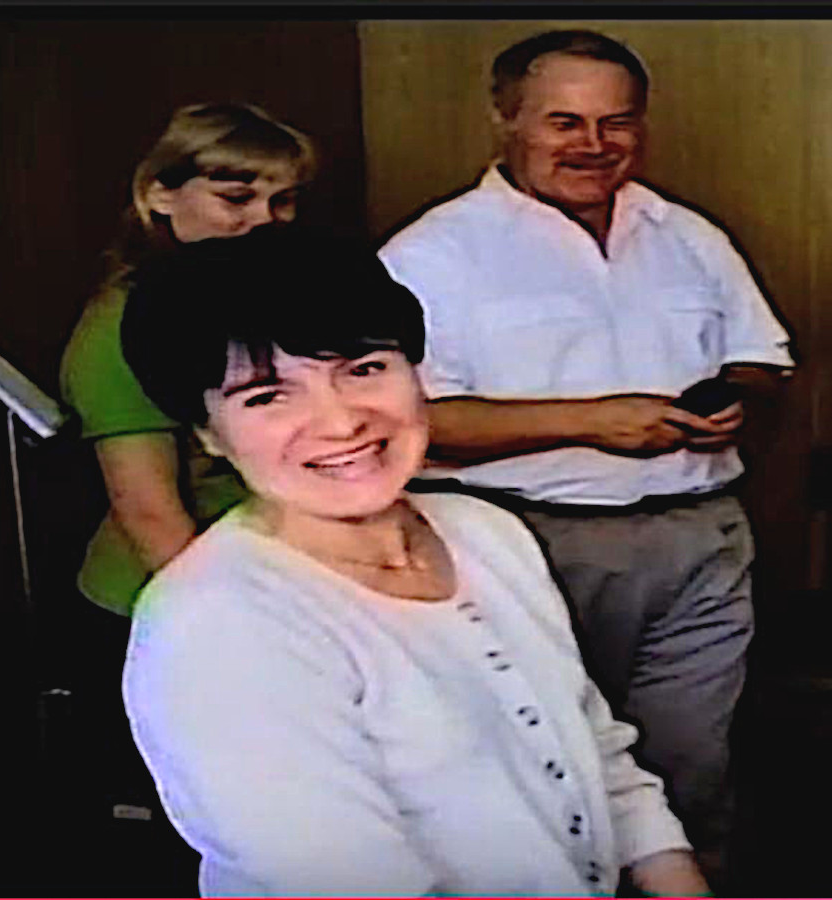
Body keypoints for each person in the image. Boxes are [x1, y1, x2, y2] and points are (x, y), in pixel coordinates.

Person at [119, 226, 709, 898]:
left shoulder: (484, 532)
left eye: (365, 369)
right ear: (207, 434)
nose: (341, 422)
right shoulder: (217, 624)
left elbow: (598, 755)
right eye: (267, 396)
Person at [378, 29, 795, 879]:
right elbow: (402, 419)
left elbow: (763, 358)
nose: (594, 145)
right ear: (506, 119)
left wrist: (738, 398)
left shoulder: (685, 233)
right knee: (536, 772)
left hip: (699, 536)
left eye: (617, 122)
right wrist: (588, 423)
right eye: (564, 122)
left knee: (690, 769)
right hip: (525, 541)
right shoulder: (431, 254)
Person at [60, 101, 316, 616]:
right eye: (236, 199)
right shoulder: (118, 328)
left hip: (270, 573)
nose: (264, 220)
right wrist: (230, 624)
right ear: (160, 195)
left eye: (283, 201)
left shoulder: (266, 297)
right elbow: (150, 513)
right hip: (161, 599)